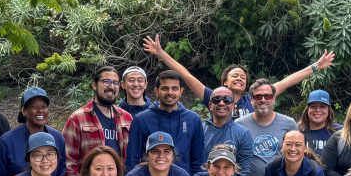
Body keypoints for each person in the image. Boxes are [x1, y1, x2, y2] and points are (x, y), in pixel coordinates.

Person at [141, 33, 335, 120]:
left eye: (243, 77)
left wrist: (317, 66)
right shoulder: (214, 98)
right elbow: (186, 75)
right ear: (224, 82)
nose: (240, 79)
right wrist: (161, 54)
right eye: (235, 76)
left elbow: (288, 80)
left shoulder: (257, 99)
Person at [0, 86, 66, 176]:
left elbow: (60, 172)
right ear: (24, 111)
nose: (40, 111)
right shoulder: (7, 142)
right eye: (34, 107)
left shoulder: (57, 138)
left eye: (43, 107)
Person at [202, 86, 253, 176]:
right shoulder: (199, 129)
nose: (221, 103)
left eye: (227, 100)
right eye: (216, 100)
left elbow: (244, 171)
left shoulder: (243, 134)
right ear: (210, 105)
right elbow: (194, 163)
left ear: (233, 106)